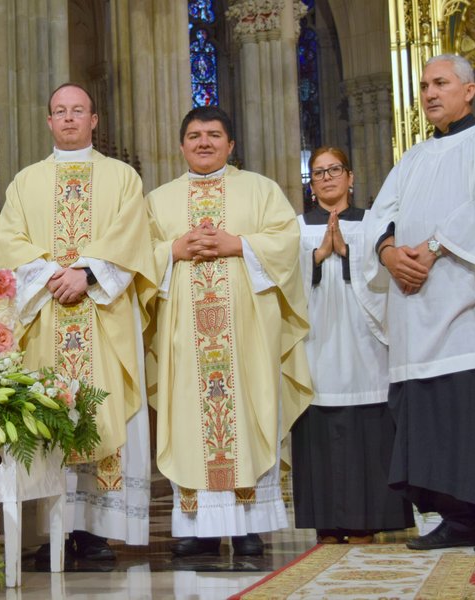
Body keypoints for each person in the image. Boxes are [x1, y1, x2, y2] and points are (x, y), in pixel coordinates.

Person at [0, 83, 156, 559]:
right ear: (48, 122)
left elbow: (131, 237)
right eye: (59, 111)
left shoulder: (123, 177)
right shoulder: (25, 181)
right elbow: (10, 240)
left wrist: (86, 274)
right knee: (46, 414)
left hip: (102, 315)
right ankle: (53, 533)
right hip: (46, 315)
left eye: (77, 110)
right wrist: (50, 276)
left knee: (101, 410)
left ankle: (96, 530)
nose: (68, 118)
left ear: (94, 119)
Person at [145, 106, 312, 558]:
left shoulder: (261, 190)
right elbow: (139, 258)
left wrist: (238, 244)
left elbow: (287, 242)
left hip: (247, 333)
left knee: (249, 411)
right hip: (184, 335)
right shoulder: (159, 200)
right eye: (195, 135)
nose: (203, 142)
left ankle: (249, 525)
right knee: (188, 418)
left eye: (214, 135)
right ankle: (196, 527)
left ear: (231, 144)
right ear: (181, 145)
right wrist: (173, 250)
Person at [362, 53, 475, 553]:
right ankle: (456, 519)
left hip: (471, 314)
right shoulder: (412, 158)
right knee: (431, 415)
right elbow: (380, 215)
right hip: (416, 314)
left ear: (469, 90)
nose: (430, 93)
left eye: (441, 83)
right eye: (423, 86)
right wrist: (389, 253)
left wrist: (435, 247)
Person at [291, 147, 414, 544]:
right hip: (317, 341)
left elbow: (386, 279)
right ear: (311, 183)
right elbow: (284, 282)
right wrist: (317, 256)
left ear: (351, 176)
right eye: (318, 172)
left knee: (370, 427)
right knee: (319, 426)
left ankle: (370, 519)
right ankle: (326, 522)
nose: (326, 178)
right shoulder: (296, 227)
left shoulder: (375, 224)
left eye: (334, 170)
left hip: (364, 342)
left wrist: (347, 254)